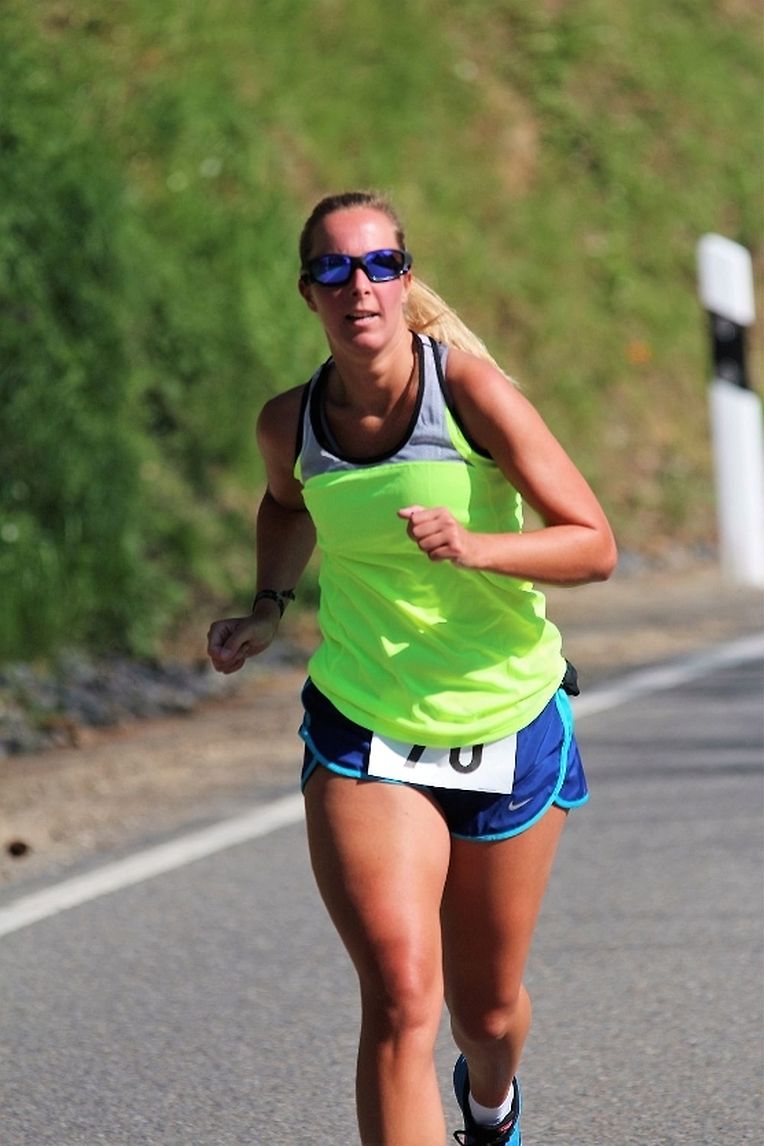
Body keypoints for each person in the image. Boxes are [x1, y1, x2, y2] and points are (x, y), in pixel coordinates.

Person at [207, 190, 617, 1146]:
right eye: (334, 268)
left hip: (508, 721)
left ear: (404, 279)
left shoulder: (470, 393)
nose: (359, 285)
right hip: (368, 727)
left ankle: (491, 1105)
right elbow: (287, 506)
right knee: (399, 993)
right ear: (308, 291)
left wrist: (478, 547)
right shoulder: (289, 424)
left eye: (379, 265)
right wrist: (267, 608)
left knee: (486, 1013)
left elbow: (593, 545)